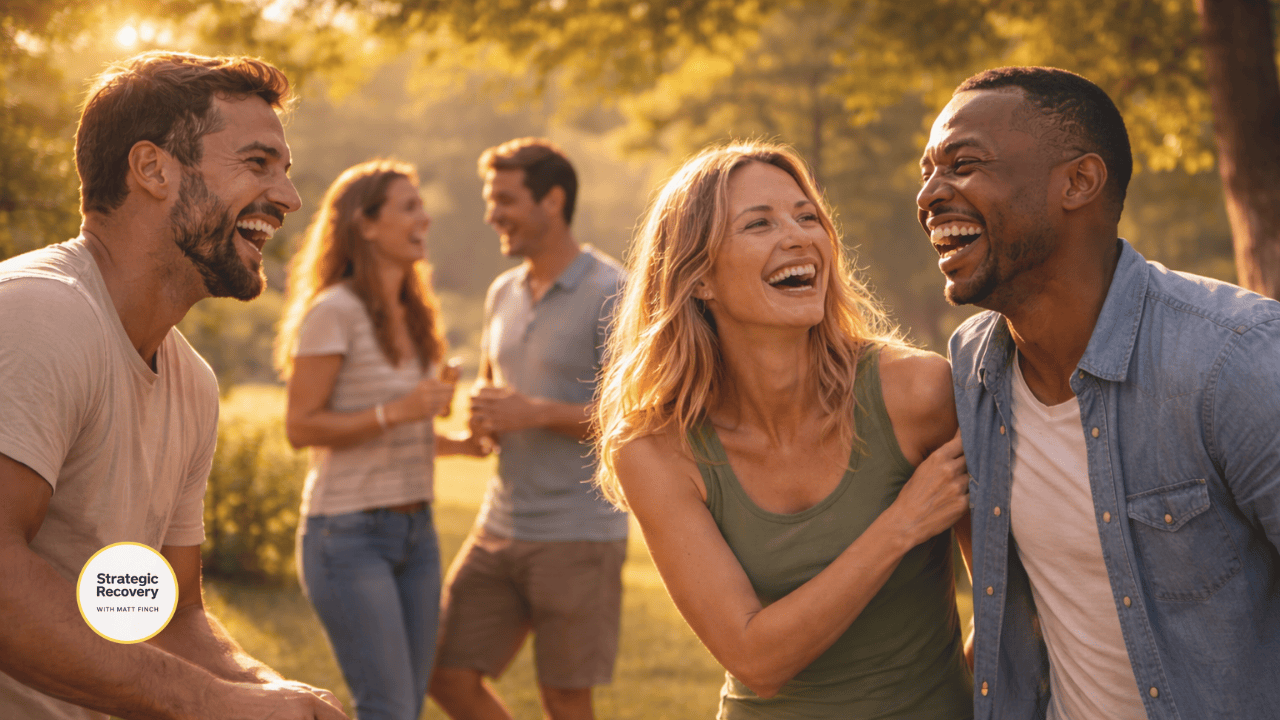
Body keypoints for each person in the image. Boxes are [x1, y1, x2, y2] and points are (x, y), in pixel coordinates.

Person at [920, 66, 1280, 720]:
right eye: (927, 173)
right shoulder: (973, 368)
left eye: (963, 164)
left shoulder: (1236, 358)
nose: (931, 195)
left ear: (1079, 182)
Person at [0, 52, 347, 719]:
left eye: (285, 171)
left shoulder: (191, 383)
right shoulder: (38, 316)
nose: (289, 198)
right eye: (256, 163)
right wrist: (216, 704)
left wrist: (283, 698)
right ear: (154, 169)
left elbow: (161, 612)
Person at [593, 142, 974, 719]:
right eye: (758, 224)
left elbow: (1013, 602)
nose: (798, 237)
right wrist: (903, 523)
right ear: (698, 279)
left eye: (807, 216)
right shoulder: (654, 449)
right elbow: (756, 659)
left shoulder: (917, 393)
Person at [275, 159, 489, 720]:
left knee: (407, 706)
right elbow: (302, 427)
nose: (426, 217)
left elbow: (401, 428)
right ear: (365, 225)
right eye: (409, 207)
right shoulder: (333, 312)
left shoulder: (416, 314)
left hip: (417, 534)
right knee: (389, 708)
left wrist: (461, 443)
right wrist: (399, 410)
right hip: (347, 535)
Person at [428, 138, 628, 720]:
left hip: (579, 532)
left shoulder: (612, 292)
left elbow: (636, 417)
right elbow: (498, 404)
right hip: (499, 526)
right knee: (444, 670)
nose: (492, 214)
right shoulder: (502, 294)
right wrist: (480, 418)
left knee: (565, 698)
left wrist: (535, 412)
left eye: (506, 199)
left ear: (553, 200)